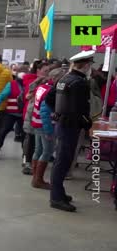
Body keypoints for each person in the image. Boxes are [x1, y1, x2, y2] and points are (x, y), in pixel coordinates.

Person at [49, 50, 94, 212]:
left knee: (61, 160)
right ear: (86, 65)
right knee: (63, 161)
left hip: (62, 124)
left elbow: (49, 98)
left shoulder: (64, 79)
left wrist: (58, 112)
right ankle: (56, 197)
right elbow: (79, 108)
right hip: (71, 126)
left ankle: (58, 192)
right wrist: (86, 123)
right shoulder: (79, 82)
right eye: (90, 64)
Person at [0, 76, 24, 160]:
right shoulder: (29, 83)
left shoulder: (11, 84)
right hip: (21, 112)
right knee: (24, 134)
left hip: (12, 112)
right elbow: (2, 95)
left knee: (4, 130)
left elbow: (2, 95)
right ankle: (26, 155)